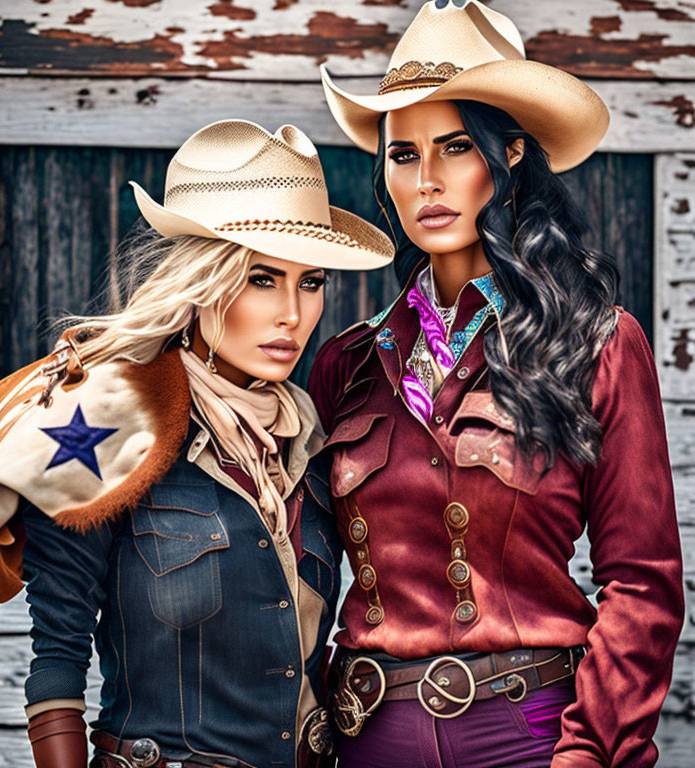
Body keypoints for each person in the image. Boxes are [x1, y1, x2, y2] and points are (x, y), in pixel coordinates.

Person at [0, 120, 394, 768]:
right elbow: (57, 664)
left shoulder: (313, 448)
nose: (292, 312)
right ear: (203, 281)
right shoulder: (110, 432)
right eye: (262, 279)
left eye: (310, 281)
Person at [308, 2, 684, 766]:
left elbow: (642, 585)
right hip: (368, 737)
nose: (427, 180)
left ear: (509, 154)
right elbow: (289, 574)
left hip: (532, 736)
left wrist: (586, 755)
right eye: (403, 154)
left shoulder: (597, 342)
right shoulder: (345, 364)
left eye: (455, 147)